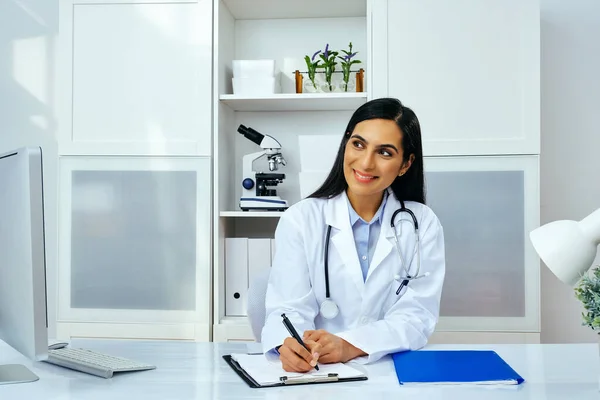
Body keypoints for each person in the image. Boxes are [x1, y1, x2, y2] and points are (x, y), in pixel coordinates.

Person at [261, 97, 446, 372]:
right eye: (358, 144)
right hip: (317, 373)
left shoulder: (421, 224)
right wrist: (290, 345)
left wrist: (350, 344)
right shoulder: (300, 219)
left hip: (388, 369)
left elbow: (416, 315)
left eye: (385, 152)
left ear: (405, 164)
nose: (366, 163)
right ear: (346, 143)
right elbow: (287, 308)